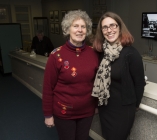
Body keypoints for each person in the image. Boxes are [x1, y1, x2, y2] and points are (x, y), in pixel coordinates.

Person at [42, 10, 99, 140]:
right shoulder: (56, 55)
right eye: (75, 26)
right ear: (68, 29)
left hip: (87, 111)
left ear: (87, 30)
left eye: (83, 26)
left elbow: (96, 83)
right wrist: (48, 115)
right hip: (64, 112)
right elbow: (47, 88)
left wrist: (96, 105)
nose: (80, 30)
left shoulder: (94, 53)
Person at [92, 12, 146, 140]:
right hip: (105, 106)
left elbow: (139, 83)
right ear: (101, 31)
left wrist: (135, 105)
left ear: (120, 27)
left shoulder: (131, 54)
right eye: (105, 27)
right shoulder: (101, 52)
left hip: (123, 109)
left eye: (113, 25)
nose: (109, 30)